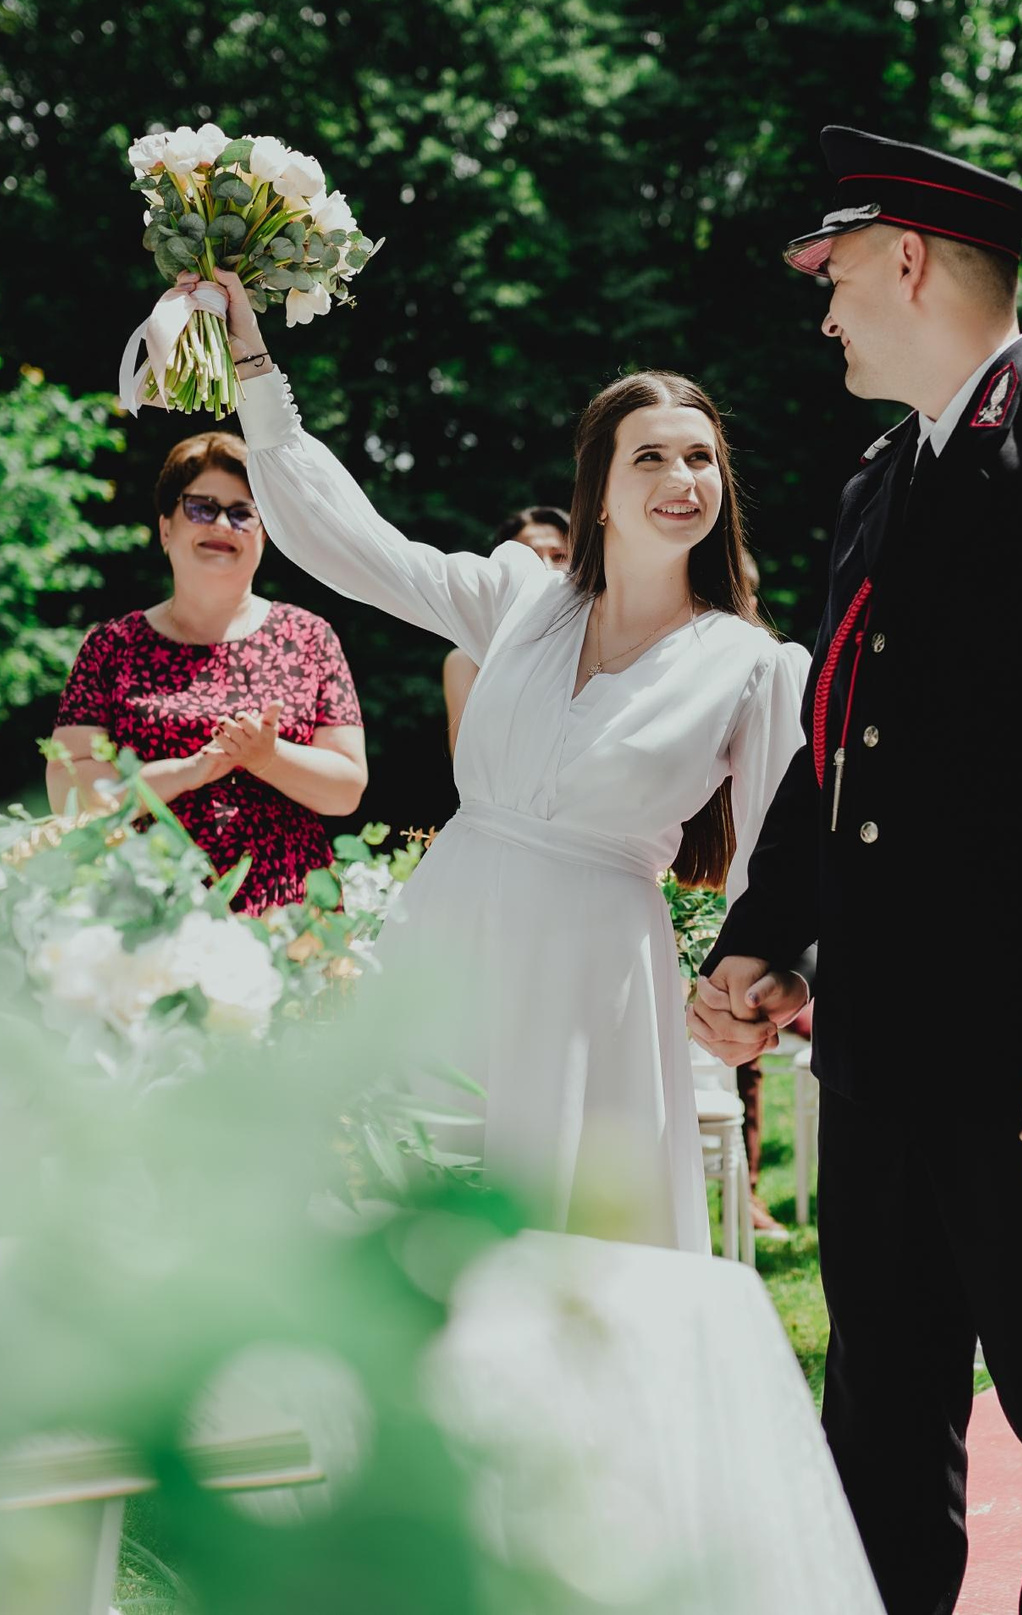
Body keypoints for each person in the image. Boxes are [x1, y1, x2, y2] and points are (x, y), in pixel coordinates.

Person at [687, 127, 1022, 1615]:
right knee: (878, 1420)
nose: (827, 311)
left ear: (908, 259)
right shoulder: (882, 478)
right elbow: (840, 740)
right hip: (882, 1047)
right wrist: (763, 935)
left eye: (839, 275)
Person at [206, 265, 809, 1254]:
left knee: (572, 1233)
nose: (682, 479)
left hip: (594, 967)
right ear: (602, 493)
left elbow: (774, 861)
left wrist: (755, 977)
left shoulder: (751, 663)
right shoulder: (519, 596)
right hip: (446, 927)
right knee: (404, 1209)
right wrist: (252, 361)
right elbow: (354, 545)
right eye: (649, 457)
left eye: (700, 457)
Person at [48, 430, 368, 914]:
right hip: (141, 915)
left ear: (264, 536)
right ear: (166, 529)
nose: (222, 523)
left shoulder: (309, 637)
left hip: (289, 922)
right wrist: (185, 772)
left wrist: (267, 757)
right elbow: (67, 791)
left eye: (243, 513)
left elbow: (346, 789)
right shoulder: (110, 645)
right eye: (202, 507)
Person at [443, 505, 570, 750]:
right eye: (530, 558)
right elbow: (465, 754)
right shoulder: (466, 660)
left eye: (559, 556)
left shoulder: (605, 642)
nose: (545, 567)